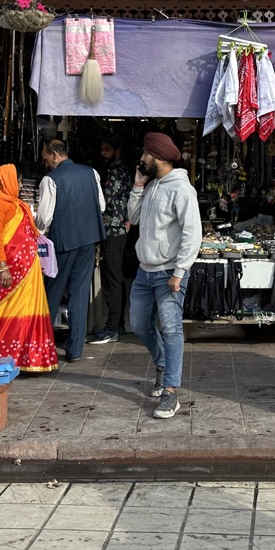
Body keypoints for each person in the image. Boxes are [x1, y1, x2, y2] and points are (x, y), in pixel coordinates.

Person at [128, 132, 201, 420]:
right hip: (144, 270)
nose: (142, 159)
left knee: (171, 330)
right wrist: (137, 184)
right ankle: (161, 365)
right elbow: (132, 218)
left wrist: (180, 271)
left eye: (145, 154)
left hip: (169, 272)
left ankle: (170, 392)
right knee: (138, 324)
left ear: (157, 157)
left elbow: (192, 233)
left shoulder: (182, 189)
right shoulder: (152, 185)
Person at [0, 164, 59, 372]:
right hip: (7, 272)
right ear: (7, 182)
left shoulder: (16, 204)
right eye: (18, 181)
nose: (21, 185)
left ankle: (27, 359)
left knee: (26, 315)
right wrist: (3, 267)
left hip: (26, 272)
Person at [36, 139, 105, 364]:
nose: (45, 163)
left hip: (63, 242)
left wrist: (36, 230)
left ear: (55, 155)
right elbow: (101, 206)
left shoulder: (50, 180)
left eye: (46, 158)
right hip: (88, 240)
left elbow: (44, 219)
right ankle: (75, 349)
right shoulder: (91, 173)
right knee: (79, 292)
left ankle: (43, 346)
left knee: (52, 292)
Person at [90, 135, 133, 345]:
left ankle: (112, 327)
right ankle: (119, 325)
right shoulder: (120, 171)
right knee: (116, 276)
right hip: (117, 228)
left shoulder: (116, 172)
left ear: (117, 151)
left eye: (107, 150)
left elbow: (104, 201)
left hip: (113, 229)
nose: (102, 154)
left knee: (111, 278)